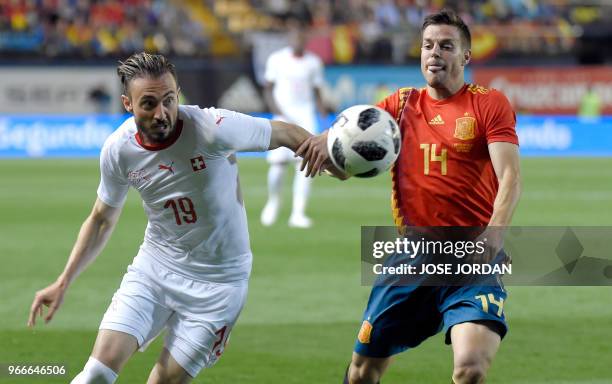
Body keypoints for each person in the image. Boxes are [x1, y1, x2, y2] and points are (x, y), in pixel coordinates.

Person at [27, 52, 330, 384]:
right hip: (155, 270)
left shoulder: (212, 128)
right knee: (96, 374)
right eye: (149, 103)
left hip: (219, 285)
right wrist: (63, 280)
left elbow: (284, 133)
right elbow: (100, 219)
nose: (162, 113)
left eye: (169, 100)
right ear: (128, 104)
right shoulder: (119, 150)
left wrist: (326, 155)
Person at [297, 10, 521, 384]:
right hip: (412, 258)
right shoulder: (399, 106)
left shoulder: (488, 103)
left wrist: (494, 234)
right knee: (362, 372)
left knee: (471, 368)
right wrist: (326, 143)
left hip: (472, 260)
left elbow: (510, 176)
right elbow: (344, 155)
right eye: (428, 45)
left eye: (446, 46)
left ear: (465, 56)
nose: (435, 53)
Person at [260, 17, 327, 229]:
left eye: (301, 35)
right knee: (278, 165)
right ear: (290, 38)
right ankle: (273, 202)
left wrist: (322, 109)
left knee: (305, 163)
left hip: (305, 116)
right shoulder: (276, 59)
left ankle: (298, 213)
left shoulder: (314, 62)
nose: (298, 39)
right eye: (294, 35)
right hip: (283, 116)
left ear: (305, 38)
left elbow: (317, 90)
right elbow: (268, 88)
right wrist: (276, 111)